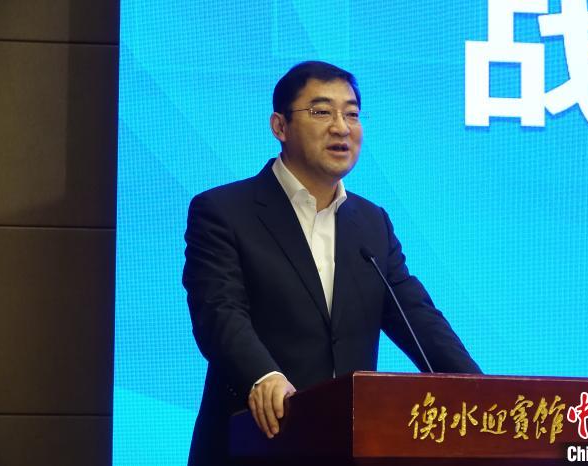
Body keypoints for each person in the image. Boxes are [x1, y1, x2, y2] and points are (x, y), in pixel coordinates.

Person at [182, 61, 481, 465]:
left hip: (346, 447)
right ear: (280, 126)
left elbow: (418, 319)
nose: (341, 127)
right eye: (321, 111)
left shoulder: (371, 223)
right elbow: (219, 312)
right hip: (254, 441)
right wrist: (263, 376)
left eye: (352, 114)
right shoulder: (224, 211)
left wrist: (482, 391)